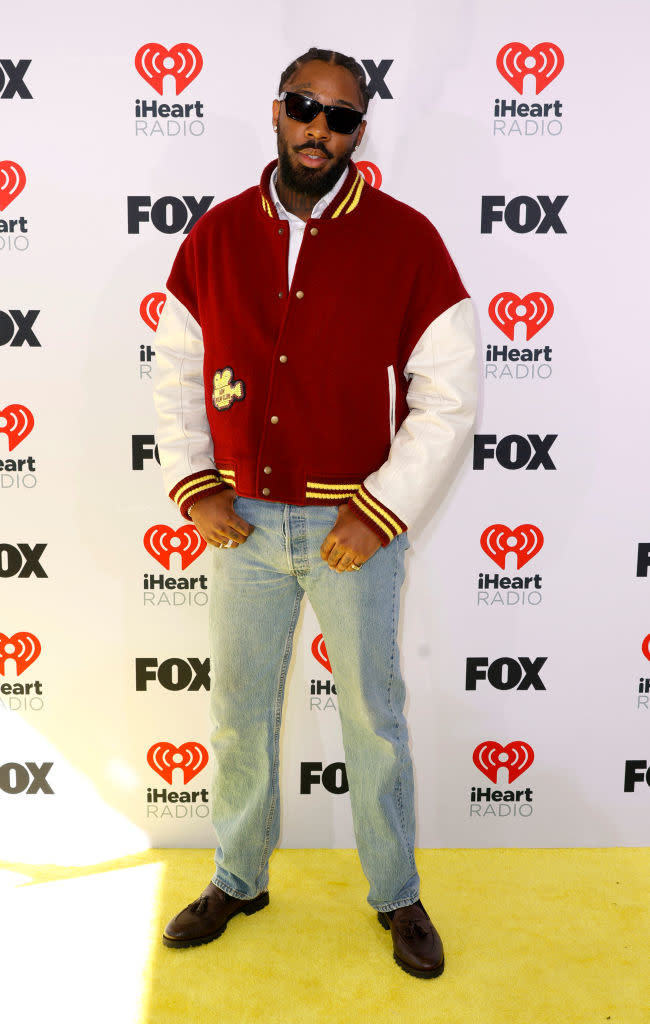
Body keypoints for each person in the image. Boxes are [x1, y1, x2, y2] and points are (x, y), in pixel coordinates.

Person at [152, 47, 476, 978]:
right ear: (278, 111)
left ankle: (397, 895)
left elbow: (448, 396)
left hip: (353, 531)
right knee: (239, 713)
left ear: (358, 134)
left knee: (373, 716)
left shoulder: (408, 240)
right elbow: (176, 374)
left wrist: (380, 511)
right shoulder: (213, 237)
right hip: (242, 524)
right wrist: (198, 482)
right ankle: (239, 876)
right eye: (305, 107)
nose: (319, 130)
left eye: (340, 117)